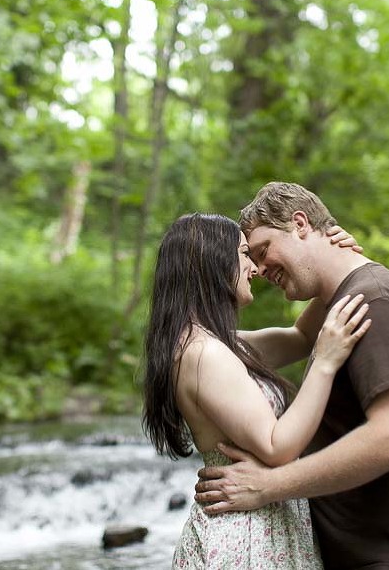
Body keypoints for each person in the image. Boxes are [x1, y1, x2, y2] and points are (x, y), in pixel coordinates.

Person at [194, 182, 389, 568]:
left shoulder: (375, 301)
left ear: (300, 224)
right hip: (364, 553)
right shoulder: (344, 303)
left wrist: (270, 487)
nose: (260, 269)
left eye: (264, 250)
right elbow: (295, 337)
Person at [142, 212, 372, 569]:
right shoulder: (204, 354)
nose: (255, 268)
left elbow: (302, 337)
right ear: (214, 262)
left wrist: (336, 263)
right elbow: (276, 446)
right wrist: (325, 363)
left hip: (260, 530)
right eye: (244, 254)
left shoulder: (220, 346)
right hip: (243, 542)